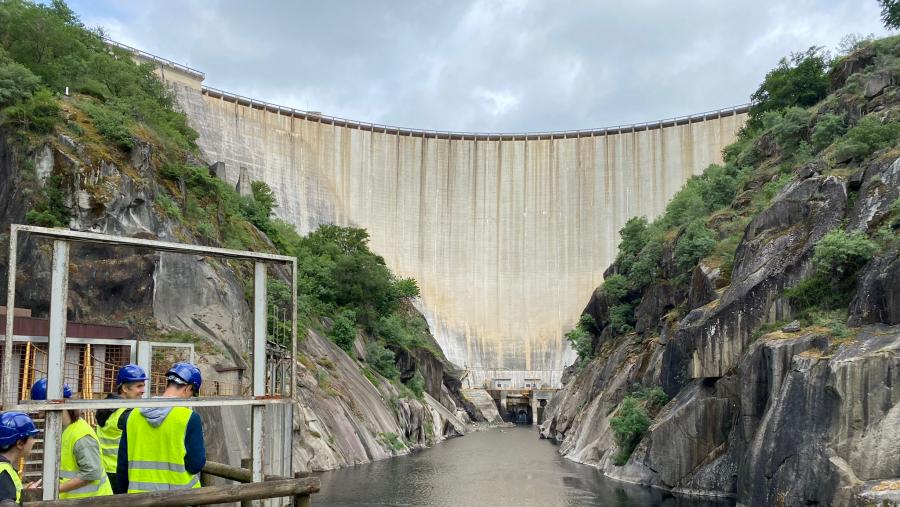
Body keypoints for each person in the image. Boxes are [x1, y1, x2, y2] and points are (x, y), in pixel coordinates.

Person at [117, 362, 206, 493]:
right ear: (188, 388)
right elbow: (196, 464)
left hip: (138, 497)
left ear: (168, 383)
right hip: (179, 496)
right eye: (192, 394)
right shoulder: (189, 418)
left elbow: (122, 466)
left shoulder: (132, 415)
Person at [30, 379, 112, 499]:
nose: (39, 413)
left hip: (94, 500)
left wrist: (54, 490)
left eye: (40, 406)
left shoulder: (81, 436)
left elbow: (92, 473)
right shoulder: (59, 430)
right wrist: (42, 485)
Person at [95, 364, 146, 494]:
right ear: (124, 388)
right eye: (139, 386)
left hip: (106, 469)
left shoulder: (108, 407)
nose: (143, 390)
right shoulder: (125, 414)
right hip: (120, 471)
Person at [0, 412, 40, 505]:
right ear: (20, 443)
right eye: (32, 437)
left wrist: (23, 494)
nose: (34, 441)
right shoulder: (4, 473)